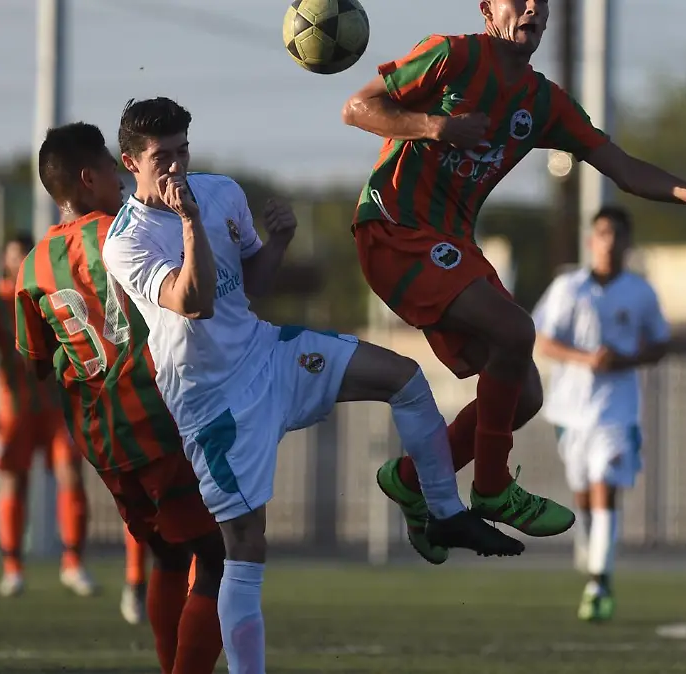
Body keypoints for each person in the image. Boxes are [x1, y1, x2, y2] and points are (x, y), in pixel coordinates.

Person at [102, 97, 523, 674]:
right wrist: (190, 221)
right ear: (131, 162)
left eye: (182, 152)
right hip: (213, 405)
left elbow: (249, 285)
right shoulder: (126, 240)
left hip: (266, 353)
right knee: (244, 550)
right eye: (160, 158)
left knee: (403, 378)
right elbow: (194, 303)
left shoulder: (221, 190)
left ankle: (444, 512)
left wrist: (276, 242)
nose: (175, 167)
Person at [341, 0, 686, 563]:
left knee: (525, 394)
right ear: (489, 8)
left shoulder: (542, 102)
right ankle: (490, 488)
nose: (534, 7)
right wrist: (435, 125)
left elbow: (623, 166)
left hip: (451, 244)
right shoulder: (452, 56)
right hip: (395, 228)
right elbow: (357, 107)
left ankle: (414, 478)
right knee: (516, 331)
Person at [15, 121, 225, 674]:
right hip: (159, 418)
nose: (120, 173)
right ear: (89, 179)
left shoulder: (31, 266)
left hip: (101, 441)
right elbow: (186, 298)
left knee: (167, 555)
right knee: (218, 556)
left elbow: (37, 363)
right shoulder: (124, 232)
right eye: (112, 166)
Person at [531, 206, 669, 622]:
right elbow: (543, 340)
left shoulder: (640, 292)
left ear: (627, 243)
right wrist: (585, 358)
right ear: (591, 240)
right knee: (583, 496)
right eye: (602, 233)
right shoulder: (567, 287)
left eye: (617, 234)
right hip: (570, 411)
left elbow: (660, 343)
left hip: (616, 410)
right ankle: (594, 560)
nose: (609, 241)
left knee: (604, 484)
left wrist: (625, 359)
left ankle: (599, 582)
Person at [0, 234, 104, 601]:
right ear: (5, 262)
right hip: (15, 408)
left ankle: (73, 564)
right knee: (15, 481)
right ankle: (13, 568)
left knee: (70, 474)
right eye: (15, 255)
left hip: (55, 404)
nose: (21, 261)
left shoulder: (48, 294)